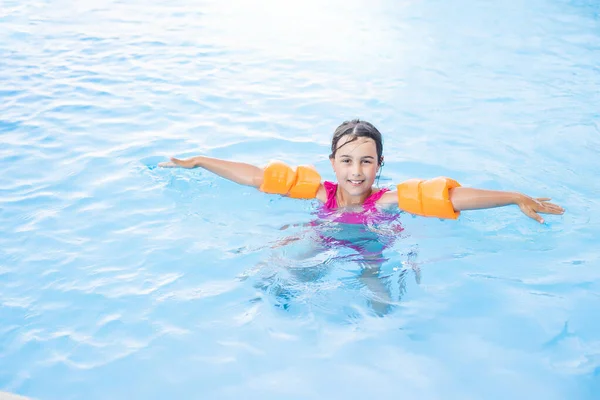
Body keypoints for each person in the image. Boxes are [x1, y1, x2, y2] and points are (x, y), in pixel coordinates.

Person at [158, 119, 565, 224]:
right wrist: (199, 161)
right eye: (347, 161)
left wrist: (515, 197)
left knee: (378, 296)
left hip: (376, 245)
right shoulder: (320, 193)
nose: (356, 172)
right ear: (332, 163)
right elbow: (254, 176)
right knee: (281, 267)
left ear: (379, 165)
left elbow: (453, 198)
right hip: (326, 234)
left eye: (366, 161)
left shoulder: (387, 200)